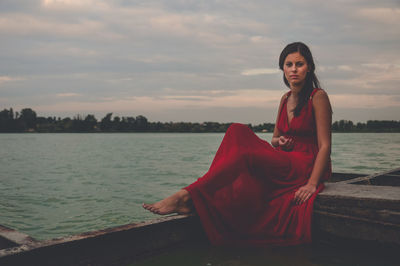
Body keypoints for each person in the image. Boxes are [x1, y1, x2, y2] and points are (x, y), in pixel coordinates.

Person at [143, 42, 332, 246]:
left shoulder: (317, 96)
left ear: (309, 67)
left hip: (305, 164)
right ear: (282, 69)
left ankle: (188, 195)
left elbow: (325, 146)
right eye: (289, 64)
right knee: (236, 130)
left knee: (245, 156)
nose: (294, 69)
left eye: (300, 64)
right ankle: (197, 196)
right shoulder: (285, 99)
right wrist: (281, 142)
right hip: (286, 158)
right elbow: (275, 139)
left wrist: (312, 184)